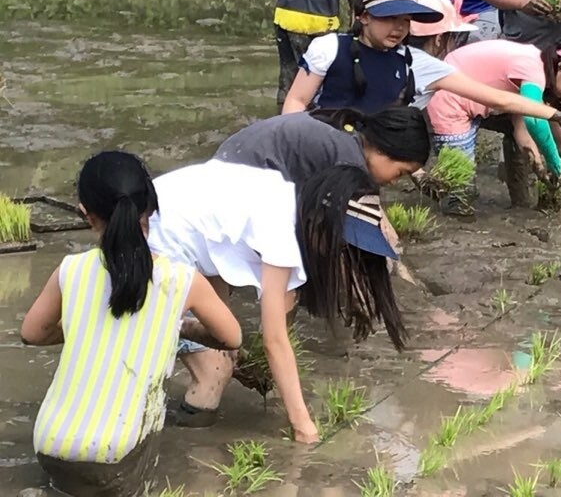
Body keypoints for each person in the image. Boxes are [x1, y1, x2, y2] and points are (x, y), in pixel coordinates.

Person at [22, 152, 241, 497]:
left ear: (85, 213)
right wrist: (180, 327)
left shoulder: (69, 269)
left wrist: (82, 324)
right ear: (150, 209)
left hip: (50, 440)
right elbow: (231, 337)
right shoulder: (183, 279)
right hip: (118, 448)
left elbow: (32, 333)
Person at [147, 162, 405, 444]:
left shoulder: (284, 200)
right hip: (154, 239)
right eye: (342, 247)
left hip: (170, 226)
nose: (341, 257)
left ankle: (177, 333)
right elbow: (275, 341)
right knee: (213, 374)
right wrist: (303, 426)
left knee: (227, 346)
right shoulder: (280, 231)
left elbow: (216, 247)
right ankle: (174, 443)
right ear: (320, 222)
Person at [282, 0, 561, 141]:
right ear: (362, 16)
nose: (398, 28)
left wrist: (555, 114)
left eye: (405, 20)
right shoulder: (329, 49)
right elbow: (296, 101)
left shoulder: (416, 63)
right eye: (388, 18)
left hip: (371, 155)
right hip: (321, 144)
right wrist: (294, 141)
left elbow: (497, 98)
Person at [426, 35, 561, 212]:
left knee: (515, 134)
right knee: (460, 191)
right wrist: (555, 164)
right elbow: (534, 121)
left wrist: (539, 167)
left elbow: (523, 133)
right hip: (449, 102)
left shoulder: (533, 66)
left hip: (477, 96)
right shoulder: (533, 70)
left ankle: (520, 202)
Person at [213, 105, 431, 187]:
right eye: (400, 173)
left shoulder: (345, 132)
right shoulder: (348, 161)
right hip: (233, 183)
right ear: (383, 149)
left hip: (226, 164)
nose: (394, 182)